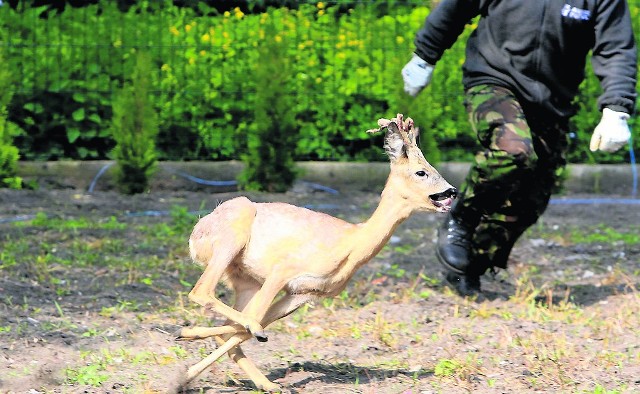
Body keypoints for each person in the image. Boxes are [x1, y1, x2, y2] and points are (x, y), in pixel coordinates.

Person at [401, 0, 637, 296]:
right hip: (494, 80)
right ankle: (461, 219)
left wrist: (616, 107)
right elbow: (456, 8)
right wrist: (425, 56)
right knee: (512, 149)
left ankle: (471, 267)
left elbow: (616, 48)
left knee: (532, 197)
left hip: (552, 102)